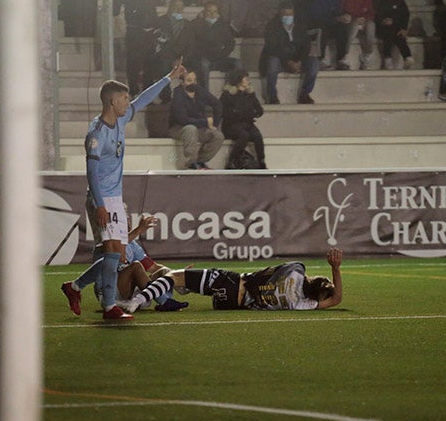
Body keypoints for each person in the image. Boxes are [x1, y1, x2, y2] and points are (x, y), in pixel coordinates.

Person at [74, 62, 186, 321]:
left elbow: (143, 99)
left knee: (115, 253)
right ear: (112, 102)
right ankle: (108, 307)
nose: (129, 102)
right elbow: (91, 172)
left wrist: (168, 77)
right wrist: (100, 204)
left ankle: (76, 287)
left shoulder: (121, 119)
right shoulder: (97, 133)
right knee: (115, 252)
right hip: (103, 197)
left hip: (114, 197)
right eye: (124, 99)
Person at [120, 248, 344, 313]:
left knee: (172, 276)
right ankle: (181, 288)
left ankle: (137, 301)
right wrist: (337, 272)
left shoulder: (296, 270)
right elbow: (336, 300)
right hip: (232, 304)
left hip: (232, 282)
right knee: (176, 279)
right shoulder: (302, 305)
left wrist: (334, 267)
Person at [60, 215, 189, 315]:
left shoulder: (133, 246)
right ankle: (164, 302)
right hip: (109, 291)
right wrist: (139, 230)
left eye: (127, 220)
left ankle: (160, 299)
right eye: (122, 221)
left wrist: (178, 274)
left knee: (163, 272)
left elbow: (153, 268)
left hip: (127, 289)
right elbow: (119, 250)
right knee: (136, 267)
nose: (126, 224)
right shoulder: (106, 242)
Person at [113, 0, 161, 95]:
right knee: (134, 60)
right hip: (135, 27)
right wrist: (117, 15)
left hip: (150, 27)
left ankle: (147, 90)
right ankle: (133, 88)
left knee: (150, 61)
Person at [260, 1, 320, 104]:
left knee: (314, 63)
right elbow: (273, 48)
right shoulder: (271, 27)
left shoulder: (299, 25)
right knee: (272, 63)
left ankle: (304, 94)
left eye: (290, 14)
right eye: (285, 14)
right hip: (280, 60)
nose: (288, 17)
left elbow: (306, 46)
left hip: (297, 59)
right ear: (279, 14)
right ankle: (272, 96)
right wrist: (289, 62)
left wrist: (300, 61)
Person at [168, 69, 225, 169]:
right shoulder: (178, 95)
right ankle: (190, 163)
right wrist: (206, 122)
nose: (193, 83)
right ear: (182, 83)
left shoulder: (200, 90)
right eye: (189, 80)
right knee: (190, 129)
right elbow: (183, 120)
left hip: (199, 128)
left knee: (218, 136)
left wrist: (214, 124)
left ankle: (200, 162)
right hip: (178, 128)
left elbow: (217, 104)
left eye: (195, 80)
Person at [182, 1, 242, 90]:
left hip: (218, 58)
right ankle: (205, 94)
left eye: (214, 12)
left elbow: (230, 43)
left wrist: (223, 54)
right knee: (204, 64)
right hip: (200, 59)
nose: (212, 14)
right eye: (209, 12)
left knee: (237, 63)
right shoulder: (195, 24)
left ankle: (229, 91)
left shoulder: (221, 25)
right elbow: (191, 44)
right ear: (204, 12)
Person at [220, 68, 267, 169]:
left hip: (247, 123)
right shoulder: (228, 95)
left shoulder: (250, 94)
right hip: (231, 125)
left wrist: (254, 113)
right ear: (239, 80)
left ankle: (262, 161)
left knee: (257, 136)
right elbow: (225, 113)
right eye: (245, 78)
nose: (248, 80)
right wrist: (241, 113)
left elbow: (259, 109)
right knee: (244, 135)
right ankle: (231, 161)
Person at [302, 0, 349, 69]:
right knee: (322, 28)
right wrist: (336, 19)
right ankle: (320, 59)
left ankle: (341, 59)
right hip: (314, 25)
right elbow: (316, 16)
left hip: (330, 23)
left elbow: (337, 12)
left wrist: (344, 17)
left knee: (343, 28)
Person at [372, 0, 413, 69]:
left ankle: (389, 58)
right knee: (390, 30)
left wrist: (404, 28)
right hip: (380, 26)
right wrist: (383, 21)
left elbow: (404, 12)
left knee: (397, 32)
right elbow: (373, 14)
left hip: (396, 25)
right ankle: (406, 56)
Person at [338, 0, 377, 70]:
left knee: (371, 25)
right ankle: (344, 55)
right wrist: (350, 16)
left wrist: (363, 18)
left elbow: (371, 12)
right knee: (354, 25)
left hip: (363, 21)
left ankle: (366, 55)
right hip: (349, 21)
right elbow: (340, 9)